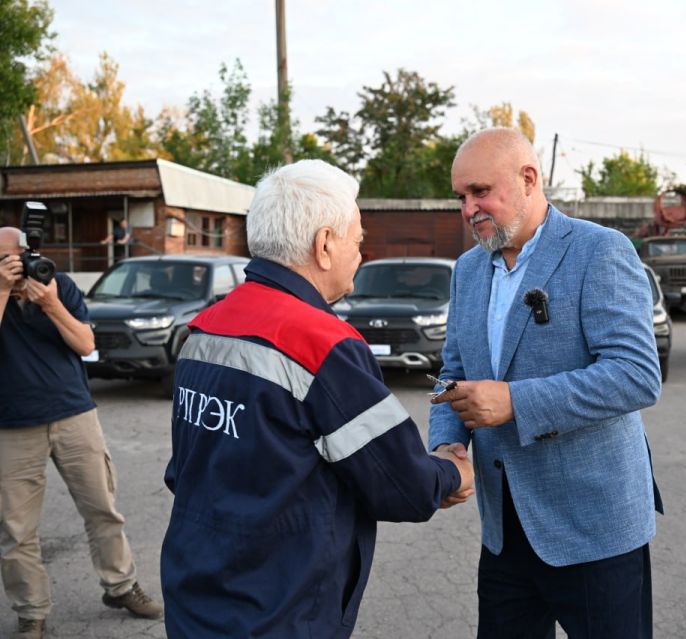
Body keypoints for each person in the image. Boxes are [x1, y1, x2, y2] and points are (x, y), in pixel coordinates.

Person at [160, 159, 475, 639]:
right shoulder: (325, 345)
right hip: (278, 608)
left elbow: (184, 470)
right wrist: (453, 471)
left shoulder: (206, 327)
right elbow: (403, 484)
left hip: (194, 594)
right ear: (324, 244)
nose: (360, 255)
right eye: (358, 240)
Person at [429, 128, 664, 639]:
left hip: (595, 530)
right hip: (505, 532)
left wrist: (515, 401)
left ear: (529, 179)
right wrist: (448, 443)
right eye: (461, 197)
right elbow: (451, 373)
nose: (469, 209)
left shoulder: (600, 251)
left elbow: (636, 375)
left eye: (480, 192)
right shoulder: (468, 270)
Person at [0, 227, 163, 639]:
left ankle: (121, 586)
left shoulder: (59, 284)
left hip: (74, 414)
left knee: (103, 509)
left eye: (17, 254)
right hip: (12, 423)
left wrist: (52, 303)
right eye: (4, 258)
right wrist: (3, 290)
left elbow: (85, 342)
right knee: (16, 529)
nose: (14, 262)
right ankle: (31, 612)